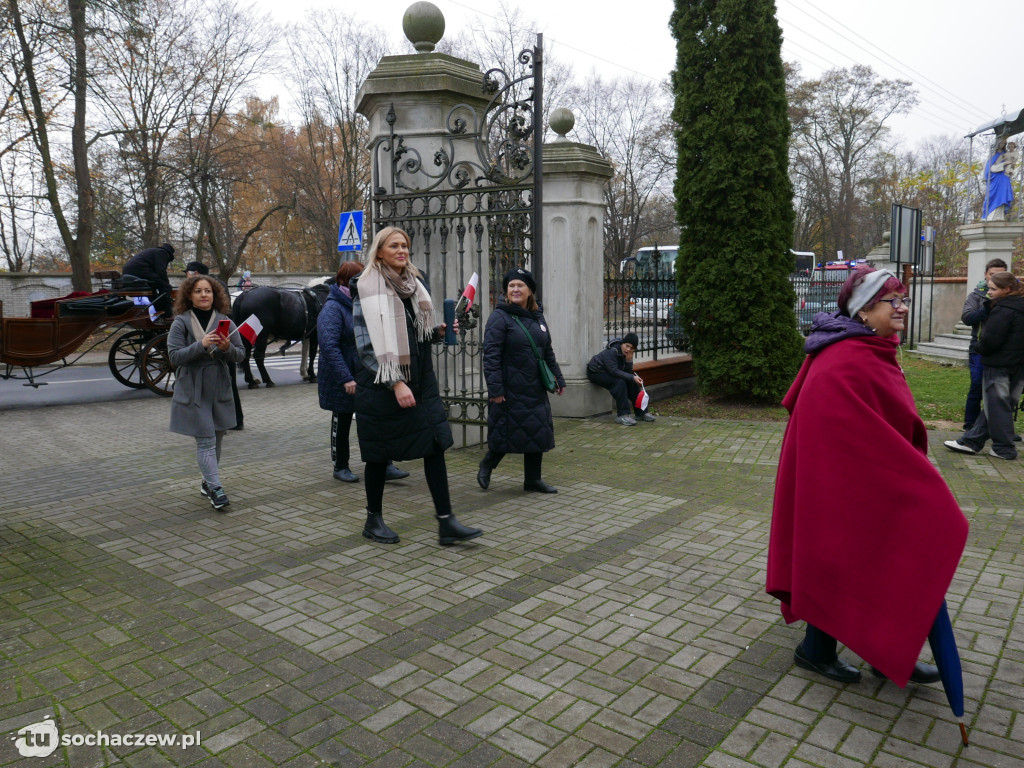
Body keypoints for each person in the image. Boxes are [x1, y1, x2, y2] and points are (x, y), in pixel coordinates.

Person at [768, 266, 968, 687]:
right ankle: (818, 650)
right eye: (891, 301)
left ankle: (888, 649)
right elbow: (840, 434)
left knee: (880, 559)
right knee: (844, 560)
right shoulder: (845, 359)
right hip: (843, 486)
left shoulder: (873, 349)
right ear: (863, 310)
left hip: (869, 481)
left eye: (903, 300)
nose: (901, 308)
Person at [350, 227, 482, 546]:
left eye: (405, 246)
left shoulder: (414, 285)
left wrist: (438, 331)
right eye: (394, 246)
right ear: (379, 252)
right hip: (382, 385)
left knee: (435, 445)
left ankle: (446, 522)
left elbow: (417, 335)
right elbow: (365, 345)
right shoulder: (366, 287)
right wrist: (396, 383)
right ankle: (373, 519)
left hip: (421, 382)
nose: (402, 250)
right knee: (379, 455)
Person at [317, 261, 410, 484]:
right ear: (344, 281)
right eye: (359, 278)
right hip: (344, 376)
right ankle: (340, 466)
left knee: (375, 419)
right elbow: (329, 347)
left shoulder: (365, 303)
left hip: (366, 373)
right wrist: (345, 378)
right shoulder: (333, 308)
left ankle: (384, 464)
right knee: (343, 420)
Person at [478, 267, 566, 494]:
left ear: (530, 291)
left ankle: (533, 480)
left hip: (535, 386)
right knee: (506, 431)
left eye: (520, 285)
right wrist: (495, 389)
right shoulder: (499, 317)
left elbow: (546, 351)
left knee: (536, 431)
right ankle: (487, 465)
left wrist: (558, 377)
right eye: (511, 286)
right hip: (510, 387)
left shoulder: (538, 317)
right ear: (506, 291)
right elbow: (491, 356)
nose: (515, 289)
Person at [167, 274, 245, 510]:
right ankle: (215, 488)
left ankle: (207, 481)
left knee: (218, 437)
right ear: (189, 296)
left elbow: (240, 354)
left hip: (219, 386)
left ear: (215, 294)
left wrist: (226, 348)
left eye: (208, 291)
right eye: (198, 291)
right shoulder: (181, 321)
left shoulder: (225, 321)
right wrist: (200, 346)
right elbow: (174, 357)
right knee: (206, 441)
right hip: (193, 388)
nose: (204, 295)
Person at [945, 271, 1024, 460]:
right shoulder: (1018, 306)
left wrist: (979, 348)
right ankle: (971, 441)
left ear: (1007, 289)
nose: (989, 292)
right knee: (998, 404)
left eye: (993, 289)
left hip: (999, 364)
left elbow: (991, 339)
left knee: (997, 405)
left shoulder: (1003, 309)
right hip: (1018, 366)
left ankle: (1003, 448)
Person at [185, 259, 245, 430]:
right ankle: (235, 419)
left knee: (227, 381)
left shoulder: (212, 286)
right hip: (222, 335)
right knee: (228, 382)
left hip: (221, 336)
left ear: (195, 273)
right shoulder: (216, 283)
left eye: (188, 274)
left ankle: (232, 419)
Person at [960, 258, 1007, 430]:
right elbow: (967, 318)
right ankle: (971, 424)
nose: (995, 278)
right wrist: (986, 308)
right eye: (992, 275)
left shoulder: (1014, 297)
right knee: (977, 384)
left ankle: (1000, 427)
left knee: (1002, 389)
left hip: (1004, 350)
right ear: (986, 275)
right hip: (979, 348)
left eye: (1000, 274)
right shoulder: (977, 296)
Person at [586, 332, 656, 425]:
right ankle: (623, 415)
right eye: (627, 346)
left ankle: (641, 413)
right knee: (619, 383)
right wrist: (632, 377)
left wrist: (628, 361)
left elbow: (627, 372)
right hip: (596, 372)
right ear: (622, 343)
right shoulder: (612, 351)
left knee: (632, 383)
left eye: (631, 348)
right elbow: (613, 371)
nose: (628, 349)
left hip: (609, 372)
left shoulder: (627, 354)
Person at [123, 243, 176, 321]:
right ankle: (167, 315)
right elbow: (161, 271)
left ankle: (161, 313)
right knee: (166, 287)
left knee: (153, 290)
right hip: (139, 271)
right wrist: (167, 283)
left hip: (131, 272)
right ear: (169, 255)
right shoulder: (162, 253)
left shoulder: (153, 252)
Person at [983, 137, 1017, 221]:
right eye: (1001, 143)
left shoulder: (1006, 154)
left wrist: (1011, 166)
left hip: (1004, 178)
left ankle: (1000, 217)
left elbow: (1012, 163)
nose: (1002, 145)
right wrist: (1003, 164)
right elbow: (991, 168)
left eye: (1004, 144)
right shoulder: (994, 156)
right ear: (997, 144)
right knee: (992, 196)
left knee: (1003, 196)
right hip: (995, 179)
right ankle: (989, 216)